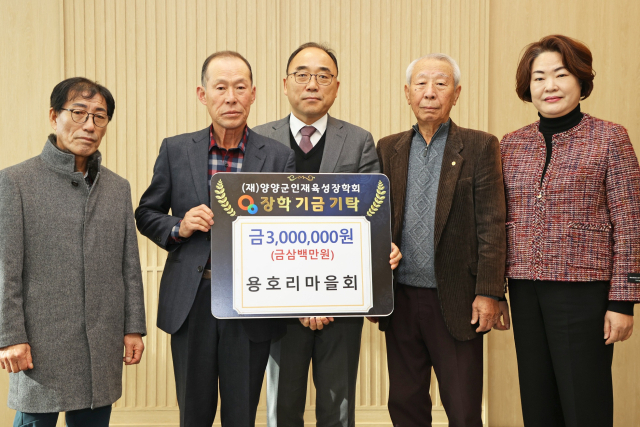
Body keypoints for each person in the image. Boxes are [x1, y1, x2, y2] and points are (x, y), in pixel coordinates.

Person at [135, 51, 295, 427]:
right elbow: (146, 213)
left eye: (240, 88)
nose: (231, 97)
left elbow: (291, 228)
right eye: (220, 87)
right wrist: (179, 225)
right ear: (202, 94)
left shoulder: (279, 157)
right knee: (194, 413)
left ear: (253, 94)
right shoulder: (176, 149)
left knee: (241, 414)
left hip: (251, 300)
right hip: (192, 299)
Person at [253, 42, 401, 427]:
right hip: (278, 301)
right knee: (282, 409)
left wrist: (325, 297)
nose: (312, 84)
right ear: (285, 83)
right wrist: (298, 300)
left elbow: (369, 219)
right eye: (302, 75)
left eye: (323, 76)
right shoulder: (259, 139)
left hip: (341, 303)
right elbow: (252, 226)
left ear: (336, 86)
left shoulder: (359, 140)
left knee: (338, 408)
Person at [500, 34, 640, 427]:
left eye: (560, 74)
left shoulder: (610, 137)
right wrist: (494, 290)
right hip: (524, 289)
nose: (550, 85)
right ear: (528, 86)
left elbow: (630, 223)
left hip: (584, 293)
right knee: (538, 402)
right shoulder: (511, 144)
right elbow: (497, 222)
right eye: (539, 77)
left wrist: (624, 301)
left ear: (580, 80)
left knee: (584, 404)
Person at [0, 77, 147, 427]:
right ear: (54, 116)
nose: (89, 125)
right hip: (40, 342)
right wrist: (10, 336)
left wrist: (133, 327)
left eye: (99, 116)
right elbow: (6, 269)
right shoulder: (16, 181)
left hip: (101, 341)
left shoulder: (117, 187)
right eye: (78, 112)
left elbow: (129, 266)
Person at [375, 53, 508, 427]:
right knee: (405, 404)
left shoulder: (480, 146)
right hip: (400, 299)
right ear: (407, 93)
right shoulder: (388, 148)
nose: (429, 92)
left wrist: (489, 292)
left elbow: (492, 224)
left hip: (457, 299)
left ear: (457, 93)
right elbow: (374, 221)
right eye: (420, 83)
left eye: (440, 83)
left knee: (463, 409)